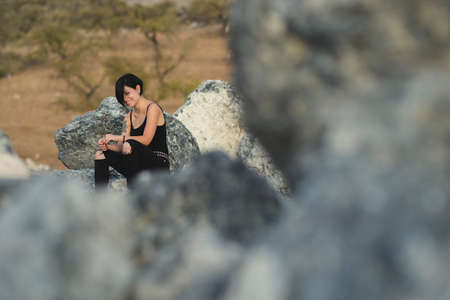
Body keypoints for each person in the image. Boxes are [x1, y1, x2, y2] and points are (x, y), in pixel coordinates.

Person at [94, 73, 170, 189]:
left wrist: (117, 137)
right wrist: (107, 146)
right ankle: (100, 198)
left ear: (138, 88)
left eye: (127, 93)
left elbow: (146, 140)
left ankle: (133, 196)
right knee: (100, 154)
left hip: (158, 164)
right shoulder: (129, 117)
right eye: (122, 97)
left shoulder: (153, 108)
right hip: (136, 164)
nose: (125, 99)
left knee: (128, 145)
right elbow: (122, 148)